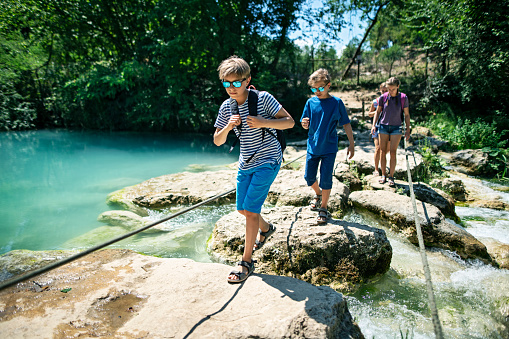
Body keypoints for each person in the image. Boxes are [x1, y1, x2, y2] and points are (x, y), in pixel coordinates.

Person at [213, 55, 295, 283]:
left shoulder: (264, 99)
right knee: (242, 208)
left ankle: (246, 262)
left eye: (237, 82)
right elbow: (218, 141)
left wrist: (263, 122)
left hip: (269, 159)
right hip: (245, 162)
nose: (231, 88)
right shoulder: (226, 106)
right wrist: (229, 126)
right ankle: (267, 229)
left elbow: (289, 122)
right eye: (226, 83)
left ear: (248, 80)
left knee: (250, 211)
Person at [301, 68, 355, 224]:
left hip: (329, 148)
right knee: (309, 177)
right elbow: (304, 122)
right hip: (313, 146)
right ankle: (318, 194)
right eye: (313, 89)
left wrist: (351, 143)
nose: (317, 91)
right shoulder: (310, 102)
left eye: (320, 88)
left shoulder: (336, 103)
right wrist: (304, 124)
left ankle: (323, 207)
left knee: (326, 178)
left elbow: (346, 123)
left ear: (328, 85)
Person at [370, 77, 410, 187]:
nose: (390, 91)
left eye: (392, 89)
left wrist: (408, 129)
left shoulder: (403, 98)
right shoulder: (383, 97)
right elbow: (377, 112)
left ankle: (391, 176)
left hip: (396, 128)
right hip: (383, 127)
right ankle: (383, 175)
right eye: (388, 89)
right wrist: (374, 125)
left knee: (393, 152)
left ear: (398, 87)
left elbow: (406, 114)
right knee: (382, 151)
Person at [368, 82, 388, 176]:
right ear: (380, 90)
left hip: (387, 127)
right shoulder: (375, 101)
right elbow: (369, 114)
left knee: (385, 149)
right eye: (382, 90)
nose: (384, 92)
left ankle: (383, 167)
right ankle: (376, 169)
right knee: (378, 148)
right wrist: (377, 111)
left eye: (386, 91)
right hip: (377, 126)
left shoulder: (391, 101)